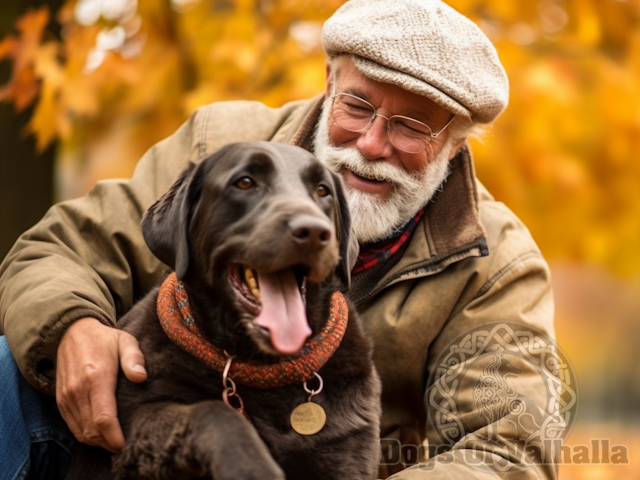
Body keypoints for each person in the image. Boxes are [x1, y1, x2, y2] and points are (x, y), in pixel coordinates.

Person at [0, 0, 558, 479]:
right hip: (141, 439)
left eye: (411, 126)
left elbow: (506, 452)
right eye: (358, 106)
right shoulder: (217, 143)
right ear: (330, 83)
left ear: (456, 146)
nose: (370, 143)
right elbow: (55, 251)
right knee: (9, 366)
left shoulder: (499, 266)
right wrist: (73, 325)